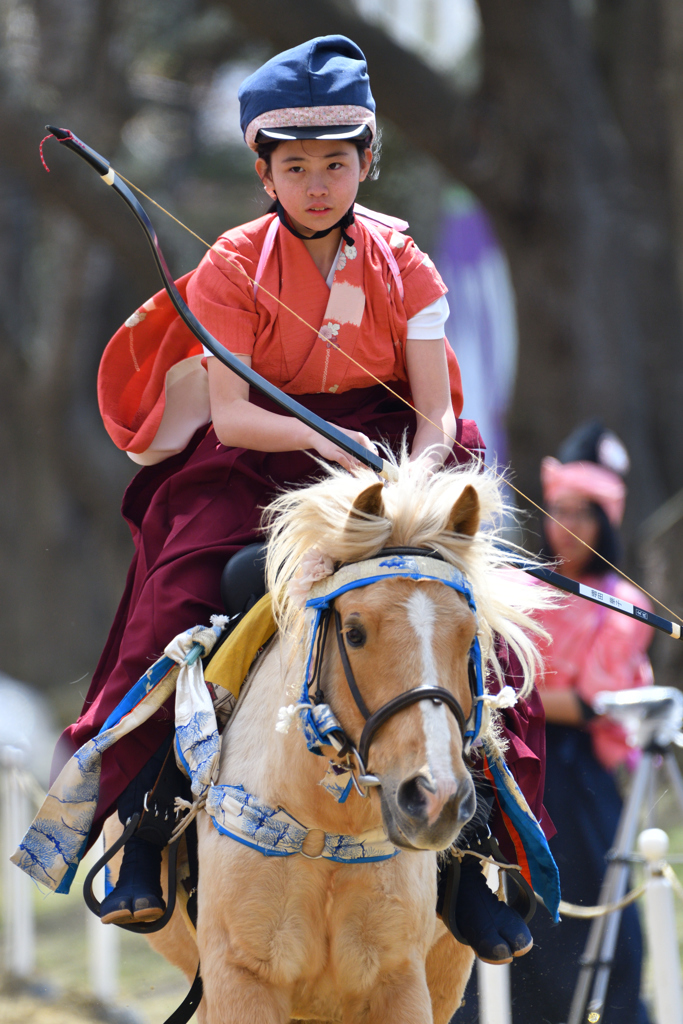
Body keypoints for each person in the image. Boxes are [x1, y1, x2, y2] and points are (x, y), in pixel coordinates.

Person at [46, 35, 549, 952]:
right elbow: (233, 417)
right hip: (259, 464)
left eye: (336, 163)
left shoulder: (413, 269)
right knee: (180, 597)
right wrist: (326, 439)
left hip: (399, 468)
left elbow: (435, 416)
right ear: (264, 172)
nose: (317, 183)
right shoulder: (231, 266)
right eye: (295, 166)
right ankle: (148, 828)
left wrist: (412, 482)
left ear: (366, 163)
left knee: (485, 627)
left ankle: (481, 851)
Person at [458, 421, 653, 1023]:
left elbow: (594, 699)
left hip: (575, 772)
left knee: (590, 903)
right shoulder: (524, 585)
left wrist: (519, 689)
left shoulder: (622, 600)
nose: (565, 528)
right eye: (557, 511)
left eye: (582, 514)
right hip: (518, 751)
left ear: (606, 522)